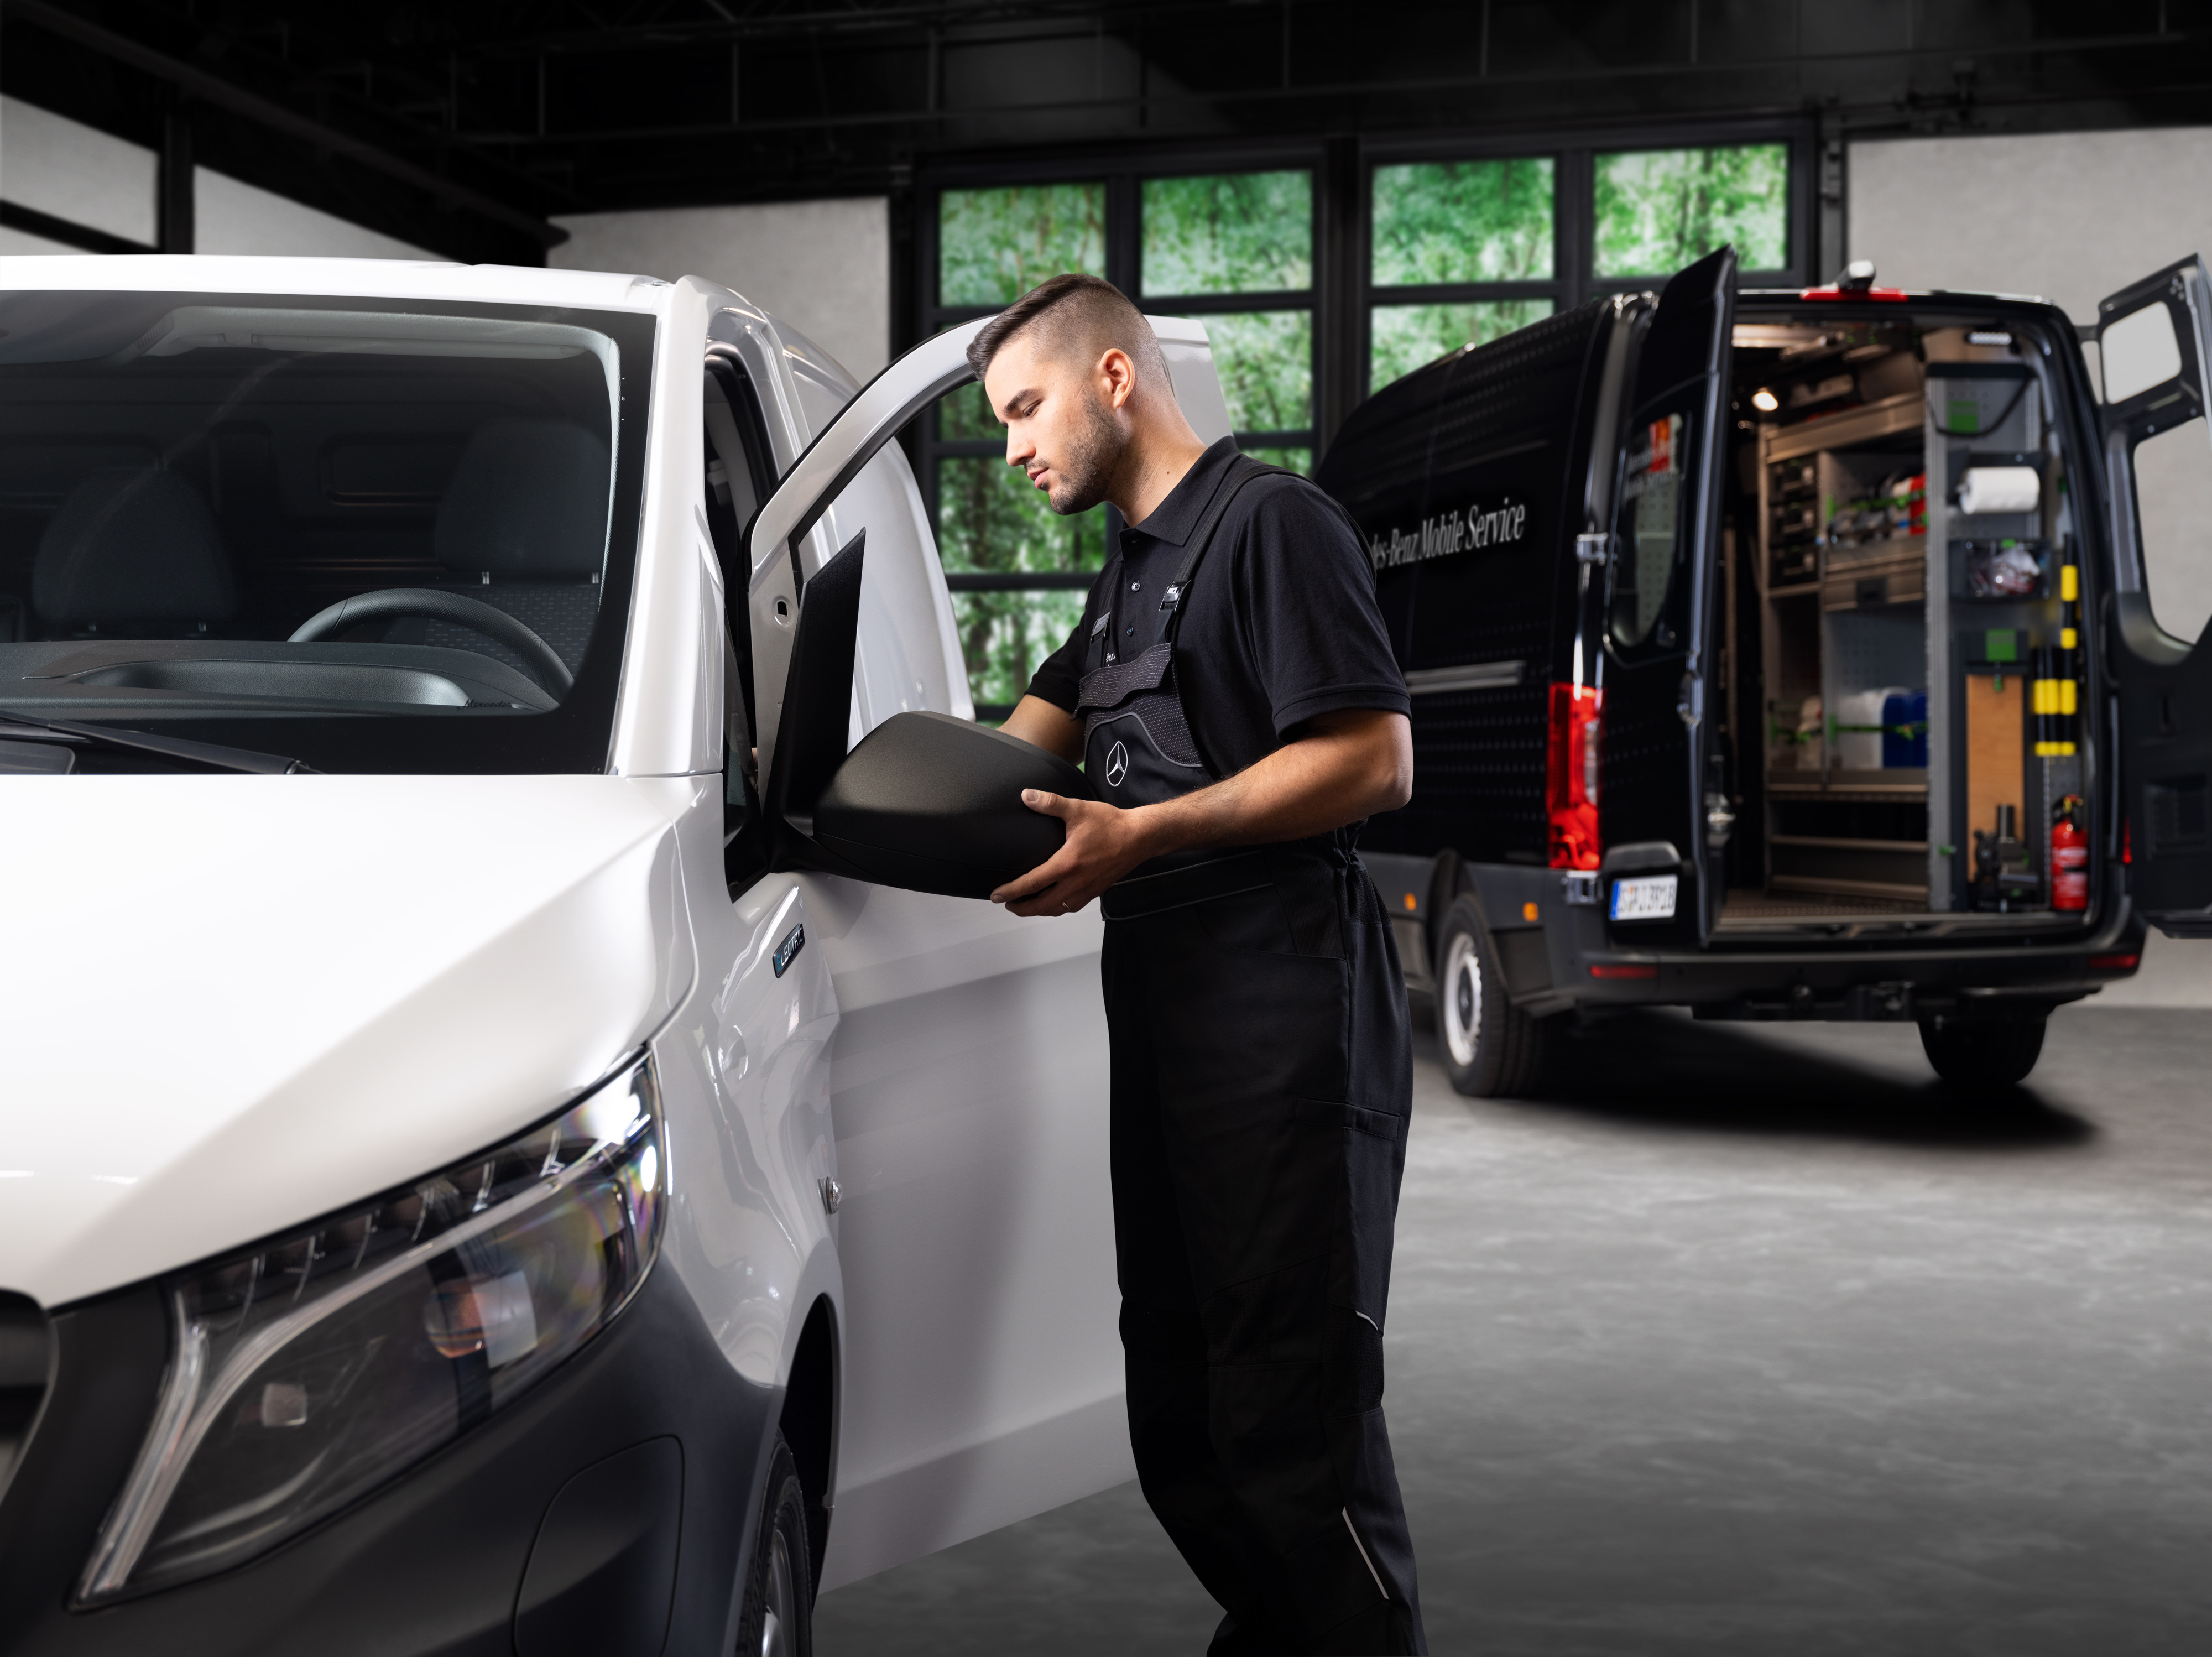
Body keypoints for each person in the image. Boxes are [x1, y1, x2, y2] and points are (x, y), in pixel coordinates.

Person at [979, 273, 1427, 1656]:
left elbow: (1373, 759)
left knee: (1291, 1428)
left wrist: (1148, 831)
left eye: (1023, 407)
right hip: (1171, 1037)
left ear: (1114, 376)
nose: (1010, 449)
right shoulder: (1120, 578)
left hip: (1287, 1024)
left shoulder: (1272, 527)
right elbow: (1005, 760)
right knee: (1182, 1418)